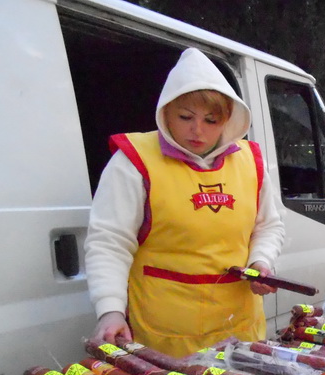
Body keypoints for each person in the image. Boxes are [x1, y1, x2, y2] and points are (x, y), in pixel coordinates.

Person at [85, 48, 285, 357]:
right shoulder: (134, 162)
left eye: (211, 120)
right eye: (185, 117)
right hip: (163, 336)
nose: (197, 130)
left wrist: (261, 261)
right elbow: (109, 242)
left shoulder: (250, 162)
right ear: (166, 112)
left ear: (228, 119)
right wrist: (110, 310)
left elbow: (268, 226)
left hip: (238, 328)